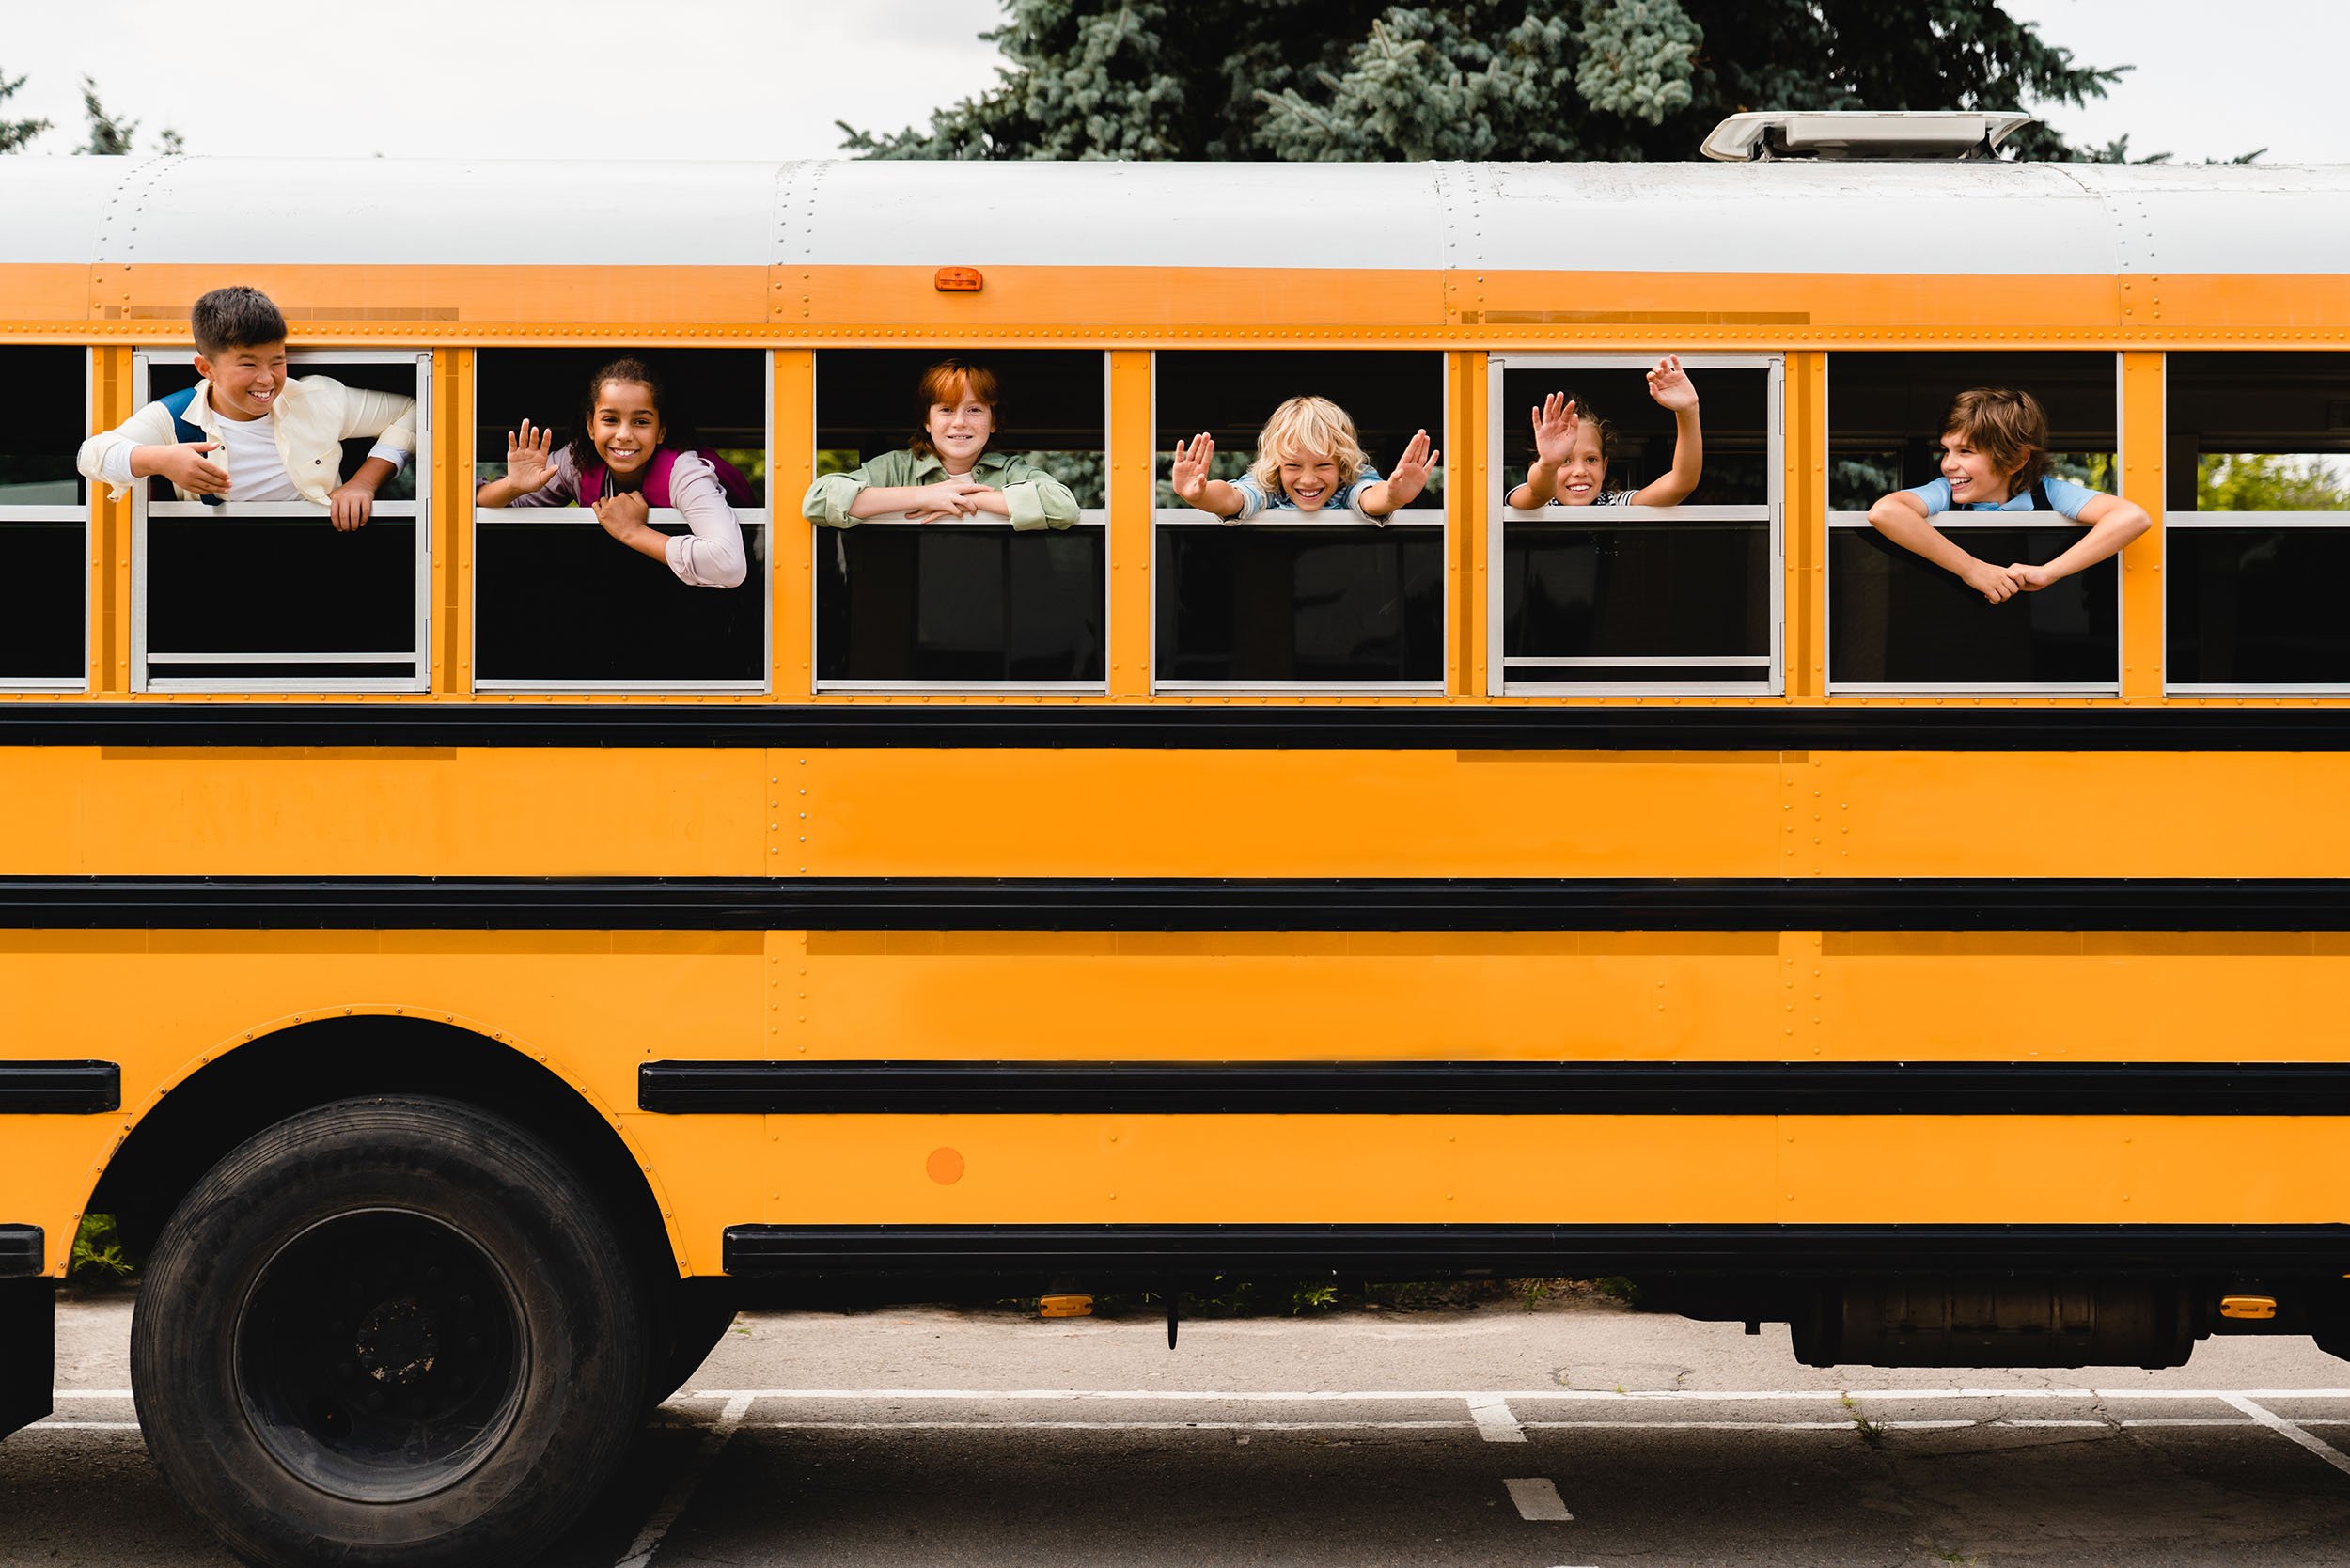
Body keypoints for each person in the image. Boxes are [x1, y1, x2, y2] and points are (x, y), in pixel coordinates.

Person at [76, 285, 415, 530]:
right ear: (206, 369)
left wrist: (364, 482)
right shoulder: (174, 415)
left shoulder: (318, 398)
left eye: (278, 361)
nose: (267, 379)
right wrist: (162, 460)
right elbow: (92, 455)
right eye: (248, 365)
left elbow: (415, 410)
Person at [478, 357, 749, 589]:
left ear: (661, 431)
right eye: (610, 420)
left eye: (641, 422)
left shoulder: (685, 472)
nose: (624, 435)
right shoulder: (576, 461)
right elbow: (485, 503)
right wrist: (513, 486)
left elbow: (729, 564)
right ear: (591, 426)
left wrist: (632, 531)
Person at [1865, 387, 2150, 604]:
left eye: (1965, 451)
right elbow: (1885, 513)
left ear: (2015, 460)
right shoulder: (1944, 490)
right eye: (1946, 450)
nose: (1947, 464)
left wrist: (2049, 572)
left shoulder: (2048, 491)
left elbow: (2131, 517)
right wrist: (1971, 569)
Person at [800, 359, 1078, 530]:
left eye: (974, 410)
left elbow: (1063, 508)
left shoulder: (1010, 471)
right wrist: (925, 496)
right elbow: (818, 501)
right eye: (946, 410)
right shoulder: (896, 467)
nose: (959, 422)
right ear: (927, 421)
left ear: (993, 422)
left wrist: (966, 497)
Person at [1168, 395, 1438, 523]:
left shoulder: (1351, 483)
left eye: (1322, 465)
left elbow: (1369, 498)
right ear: (1277, 466)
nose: (1308, 480)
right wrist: (1199, 496)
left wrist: (1393, 496)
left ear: (1342, 465)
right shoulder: (1269, 487)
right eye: (1293, 466)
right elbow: (1233, 498)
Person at [1507, 355, 1701, 510]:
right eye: (1564, 460)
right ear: (1536, 465)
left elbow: (1681, 483)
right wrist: (1549, 465)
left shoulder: (1615, 503)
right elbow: (1538, 492)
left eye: (1591, 459)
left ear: (1605, 466)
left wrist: (1688, 411)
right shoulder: (1538, 500)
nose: (1580, 471)